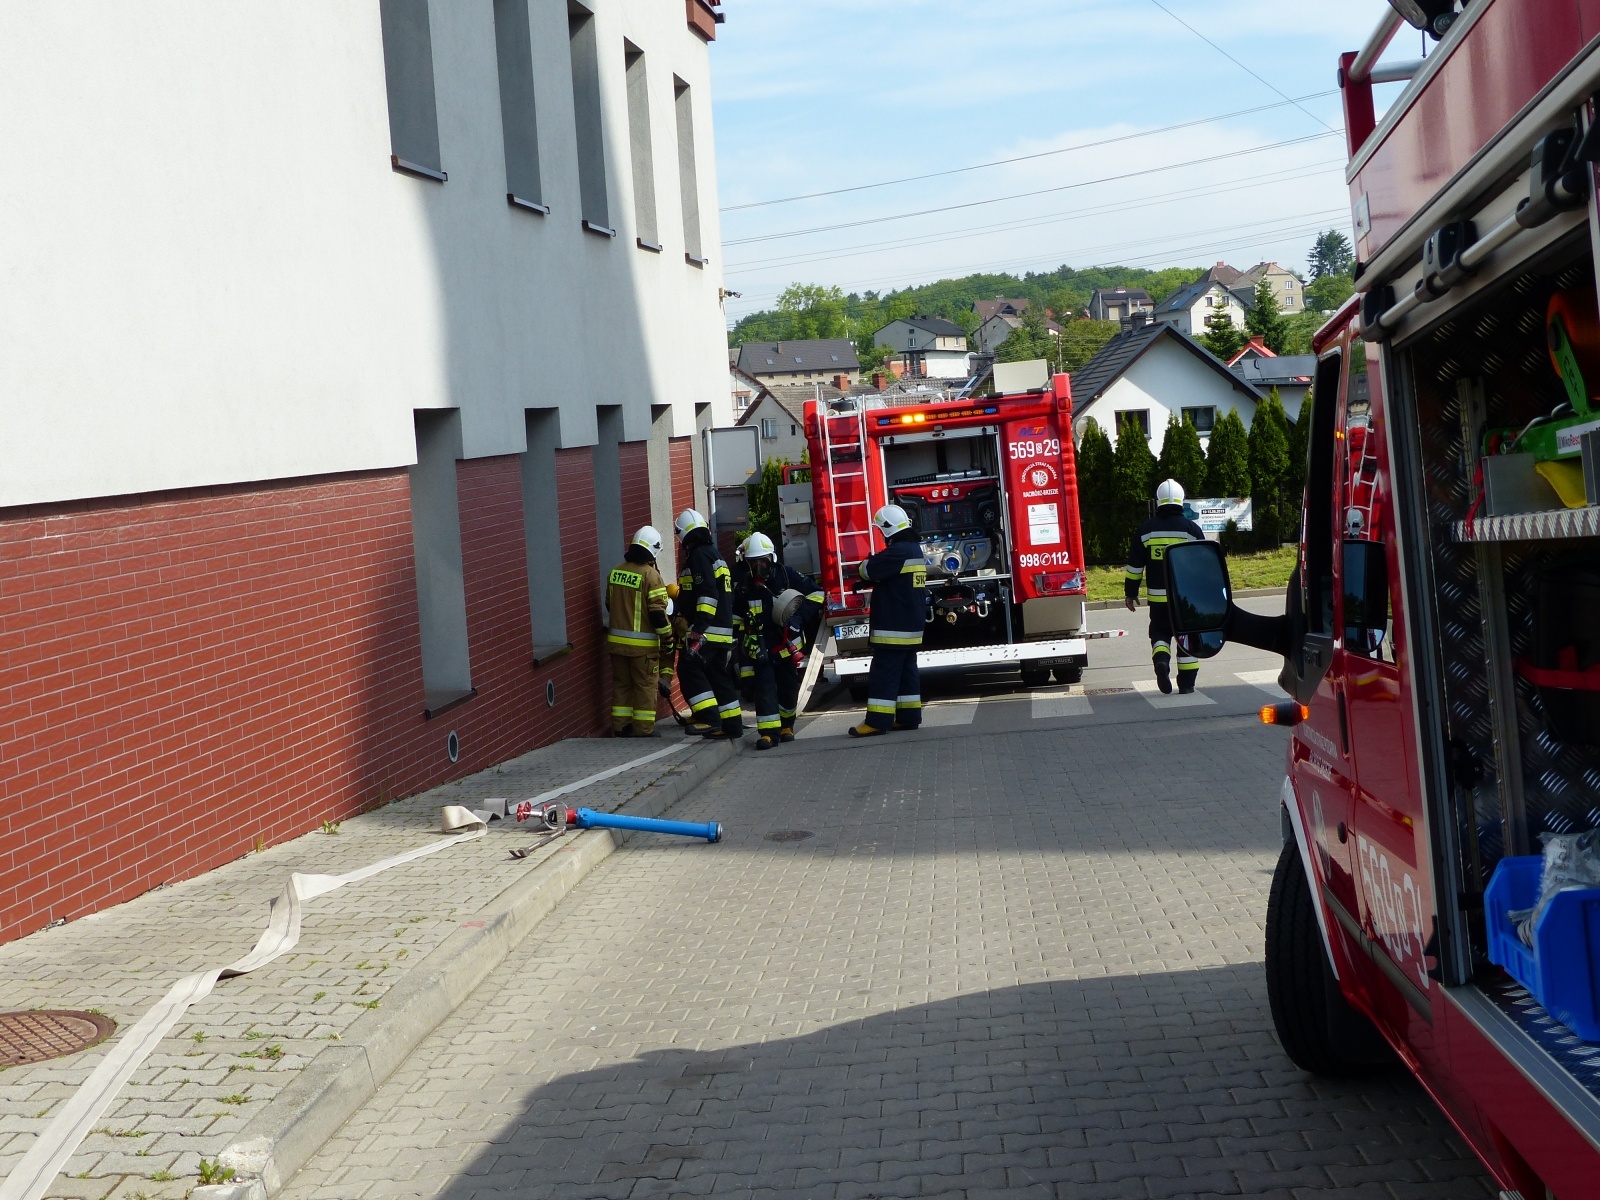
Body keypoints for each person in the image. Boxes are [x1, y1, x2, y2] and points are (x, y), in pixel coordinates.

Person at [735, 533, 825, 747]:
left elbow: (817, 594)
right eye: (753, 562)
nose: (758, 566)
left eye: (762, 561)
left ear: (771, 558)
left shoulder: (787, 576)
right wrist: (741, 646)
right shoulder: (744, 586)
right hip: (761, 649)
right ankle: (768, 734)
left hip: (786, 646)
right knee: (764, 690)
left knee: (787, 688)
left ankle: (787, 726)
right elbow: (737, 617)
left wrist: (797, 619)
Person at [849, 504, 927, 737]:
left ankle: (876, 721)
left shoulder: (898, 551)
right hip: (911, 627)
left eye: (881, 531)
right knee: (906, 672)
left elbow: (868, 570)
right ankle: (908, 717)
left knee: (884, 672)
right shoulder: (913, 549)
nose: (881, 536)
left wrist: (865, 568)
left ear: (888, 529)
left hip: (893, 627)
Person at [1125, 478, 1206, 694]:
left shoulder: (1146, 530)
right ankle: (1187, 684)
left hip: (1158, 601)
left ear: (1158, 501)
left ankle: (1161, 660)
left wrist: (1130, 594)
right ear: (1181, 500)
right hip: (1185, 601)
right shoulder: (1192, 531)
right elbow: (1203, 567)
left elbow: (1134, 567)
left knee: (1160, 633)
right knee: (1188, 638)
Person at [673, 508, 743, 738]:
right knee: (718, 676)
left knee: (688, 667)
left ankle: (708, 718)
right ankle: (732, 726)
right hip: (721, 631)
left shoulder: (699, 556)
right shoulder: (715, 554)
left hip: (708, 631)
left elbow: (707, 593)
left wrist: (699, 628)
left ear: (684, 534)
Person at [605, 526, 675, 736]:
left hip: (616, 645)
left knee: (621, 685)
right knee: (645, 687)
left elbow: (610, 605)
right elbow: (658, 615)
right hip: (643, 650)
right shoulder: (651, 576)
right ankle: (643, 730)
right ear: (653, 550)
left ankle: (620, 726)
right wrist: (668, 638)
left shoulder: (615, 571)